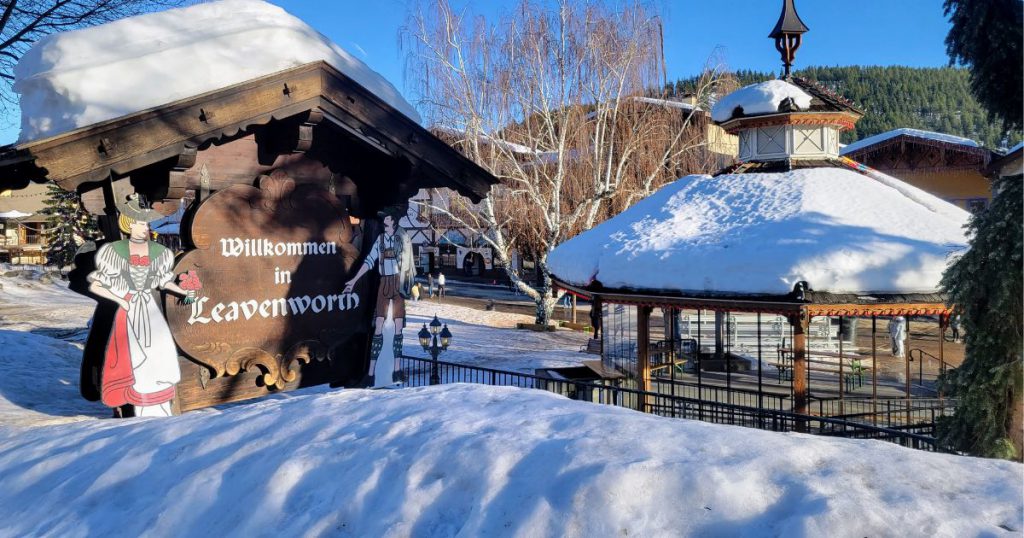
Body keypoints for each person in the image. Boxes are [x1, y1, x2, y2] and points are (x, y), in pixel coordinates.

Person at [87, 184, 195, 417]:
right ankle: (142, 407)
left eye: (146, 224)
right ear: (127, 224)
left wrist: (183, 291)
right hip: (130, 311)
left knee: (160, 352)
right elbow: (98, 284)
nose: (144, 228)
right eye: (139, 223)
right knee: (137, 356)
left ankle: (161, 407)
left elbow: (162, 280)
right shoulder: (115, 252)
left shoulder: (158, 252)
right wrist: (121, 300)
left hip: (150, 310)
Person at [344, 206, 416, 386]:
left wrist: (407, 283)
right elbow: (369, 261)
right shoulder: (381, 240)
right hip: (384, 283)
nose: (384, 222)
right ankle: (371, 373)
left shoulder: (403, 238)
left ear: (393, 221)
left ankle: (396, 370)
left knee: (398, 327)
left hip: (397, 284)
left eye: (387, 219)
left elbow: (408, 264)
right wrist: (353, 280)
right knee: (379, 326)